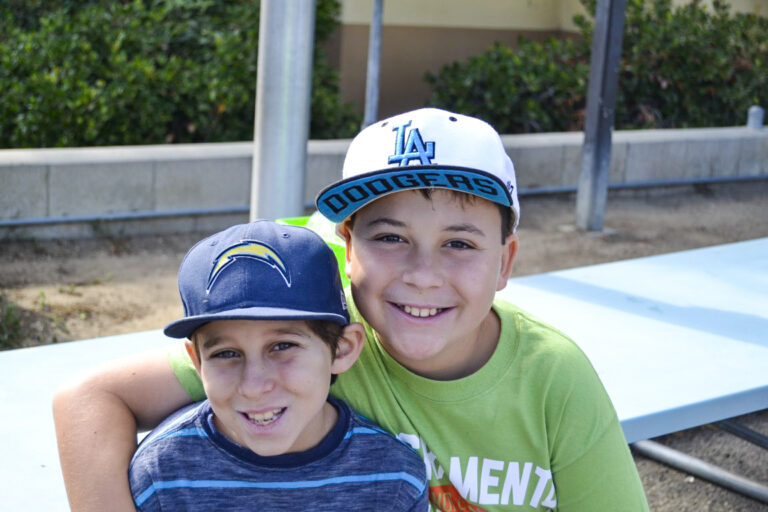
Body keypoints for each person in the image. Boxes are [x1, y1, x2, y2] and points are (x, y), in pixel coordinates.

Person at [54, 108, 649, 511]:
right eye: (389, 237)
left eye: (460, 243)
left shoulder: (554, 378)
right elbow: (84, 399)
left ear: (504, 261)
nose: (422, 274)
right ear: (345, 251)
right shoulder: (314, 345)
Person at [128, 220, 427, 511]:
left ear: (342, 349)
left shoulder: (392, 477)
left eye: (283, 347)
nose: (254, 386)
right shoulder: (161, 473)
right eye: (226, 353)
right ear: (197, 362)